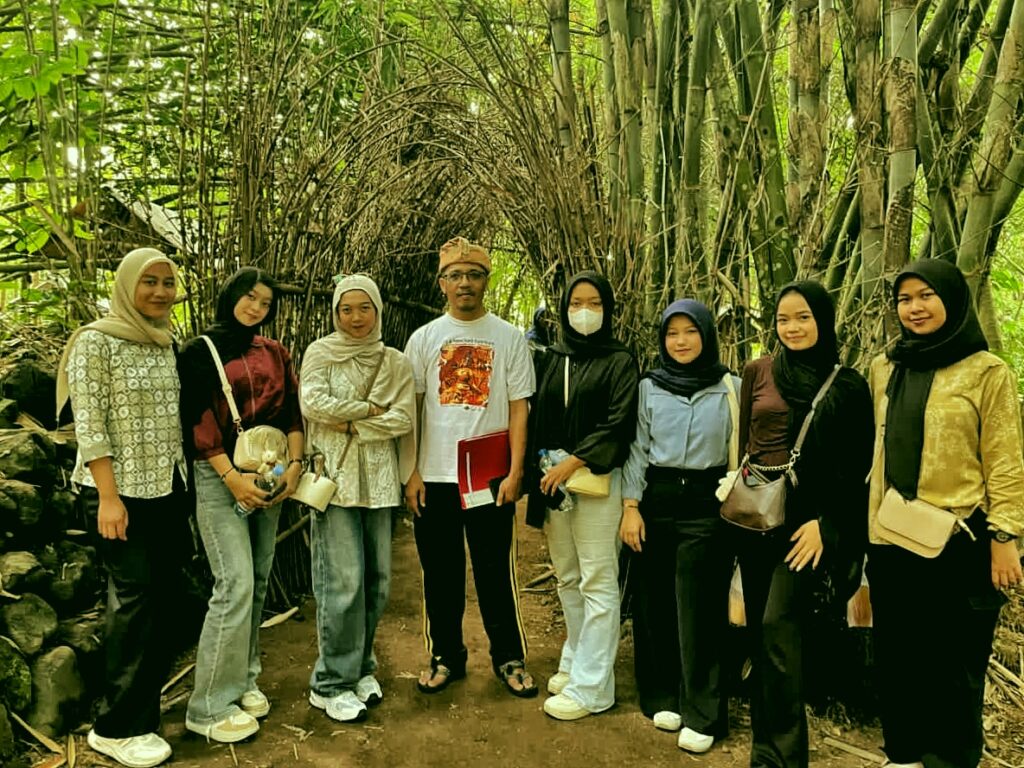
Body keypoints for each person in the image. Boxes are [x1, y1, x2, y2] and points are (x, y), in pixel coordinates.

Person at [866, 260, 1024, 768]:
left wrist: (1006, 538)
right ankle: (905, 756)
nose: (914, 308)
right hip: (892, 536)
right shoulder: (884, 367)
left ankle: (951, 759)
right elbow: (875, 455)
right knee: (899, 658)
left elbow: (1005, 458)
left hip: (962, 542)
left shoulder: (986, 371)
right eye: (904, 299)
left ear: (952, 300)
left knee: (955, 666)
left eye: (926, 295)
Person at [734, 281, 872, 768]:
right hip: (756, 520)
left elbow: (860, 470)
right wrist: (739, 492)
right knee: (761, 636)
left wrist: (827, 525)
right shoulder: (759, 371)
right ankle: (764, 753)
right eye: (783, 319)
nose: (792, 328)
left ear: (824, 319)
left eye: (803, 318)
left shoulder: (848, 384)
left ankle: (787, 757)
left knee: (777, 629)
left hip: (804, 529)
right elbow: (746, 444)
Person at [59, 247, 187, 768]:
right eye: (148, 282)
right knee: (131, 603)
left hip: (167, 487)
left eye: (168, 282)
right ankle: (114, 727)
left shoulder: (163, 341)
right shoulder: (96, 342)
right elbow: (90, 425)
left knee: (163, 598)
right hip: (119, 490)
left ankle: (145, 714)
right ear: (126, 286)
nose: (159, 292)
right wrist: (108, 498)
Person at [403, 236, 538, 698]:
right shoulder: (423, 339)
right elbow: (413, 410)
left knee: (493, 571)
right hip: (436, 475)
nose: (465, 283)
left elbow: (520, 407)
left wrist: (517, 471)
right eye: (456, 275)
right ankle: (446, 657)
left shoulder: (508, 337)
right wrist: (412, 471)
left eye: (474, 274)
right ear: (442, 283)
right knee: (440, 572)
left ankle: (509, 657)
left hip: (488, 474)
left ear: (486, 280)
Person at [178, 267, 304, 743]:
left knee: (259, 578)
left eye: (265, 302)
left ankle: (245, 677)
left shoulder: (274, 352)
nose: (255, 308)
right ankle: (208, 704)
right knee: (234, 584)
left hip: (270, 475)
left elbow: (292, 412)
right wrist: (232, 480)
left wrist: (294, 467)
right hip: (219, 478)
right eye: (248, 297)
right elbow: (198, 421)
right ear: (230, 296)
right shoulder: (199, 351)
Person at [620, 299, 737, 752]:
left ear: (706, 335)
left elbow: (740, 446)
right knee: (653, 600)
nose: (682, 341)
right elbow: (636, 448)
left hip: (707, 501)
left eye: (691, 332)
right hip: (656, 496)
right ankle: (661, 694)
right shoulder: (649, 386)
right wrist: (631, 506)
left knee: (699, 604)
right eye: (673, 334)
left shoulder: (730, 386)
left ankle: (703, 710)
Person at [299, 274, 415, 723]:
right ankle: (330, 683)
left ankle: (361, 666)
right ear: (334, 312)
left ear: (378, 310)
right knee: (341, 583)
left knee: (377, 583)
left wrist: (349, 424)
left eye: (364, 308)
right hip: (337, 482)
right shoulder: (320, 353)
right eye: (346, 309)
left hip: (381, 483)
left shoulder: (395, 362)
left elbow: (403, 418)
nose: (355, 318)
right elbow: (313, 404)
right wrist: (369, 412)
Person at [526, 270, 639, 721]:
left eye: (594, 303)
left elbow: (619, 422)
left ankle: (594, 687)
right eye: (576, 304)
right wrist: (543, 466)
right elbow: (536, 416)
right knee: (568, 577)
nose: (585, 312)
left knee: (597, 580)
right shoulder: (554, 356)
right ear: (563, 309)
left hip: (596, 486)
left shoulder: (620, 360)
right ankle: (576, 660)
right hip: (554, 486)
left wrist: (572, 461)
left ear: (607, 309)